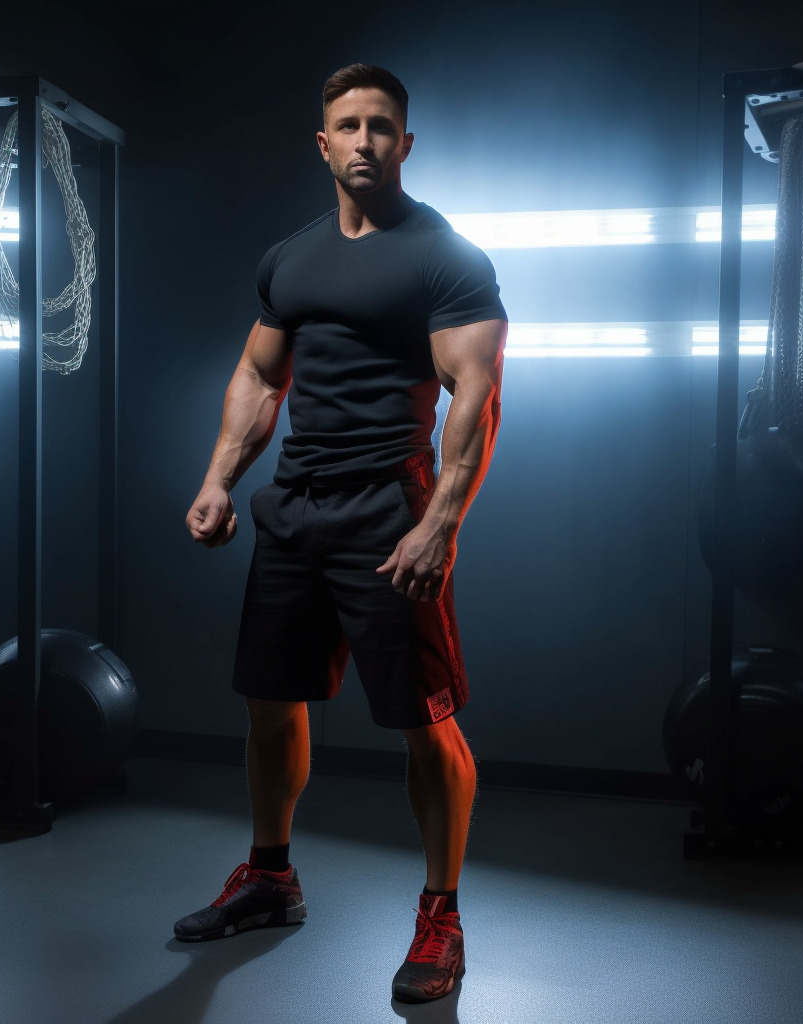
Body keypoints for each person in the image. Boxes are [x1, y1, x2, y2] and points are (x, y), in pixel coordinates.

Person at [177, 62, 507, 1004]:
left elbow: (474, 400)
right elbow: (259, 375)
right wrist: (217, 480)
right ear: (323, 144)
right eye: (349, 126)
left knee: (423, 722)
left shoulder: (447, 258)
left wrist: (439, 526)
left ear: (406, 142)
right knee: (270, 702)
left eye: (382, 126)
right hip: (296, 507)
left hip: (387, 512)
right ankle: (270, 878)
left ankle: (441, 914)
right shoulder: (292, 258)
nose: (365, 140)